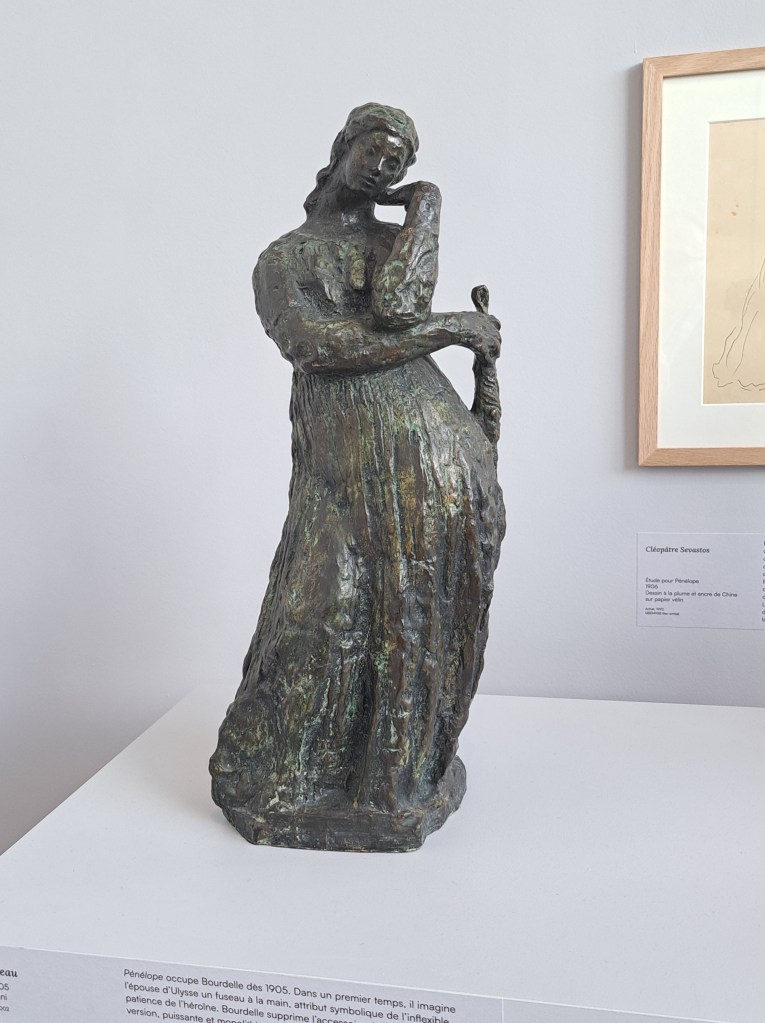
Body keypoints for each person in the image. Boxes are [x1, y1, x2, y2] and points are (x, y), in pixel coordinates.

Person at [210, 104, 505, 851]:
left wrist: (426, 207)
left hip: (432, 460)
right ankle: (293, 780)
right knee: (324, 617)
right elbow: (319, 348)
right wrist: (451, 329)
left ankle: (393, 780)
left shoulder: (390, 242)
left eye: (401, 162)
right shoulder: (284, 259)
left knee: (418, 620)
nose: (386, 168)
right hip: (350, 461)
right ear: (343, 147)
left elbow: (397, 306)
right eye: (377, 149)